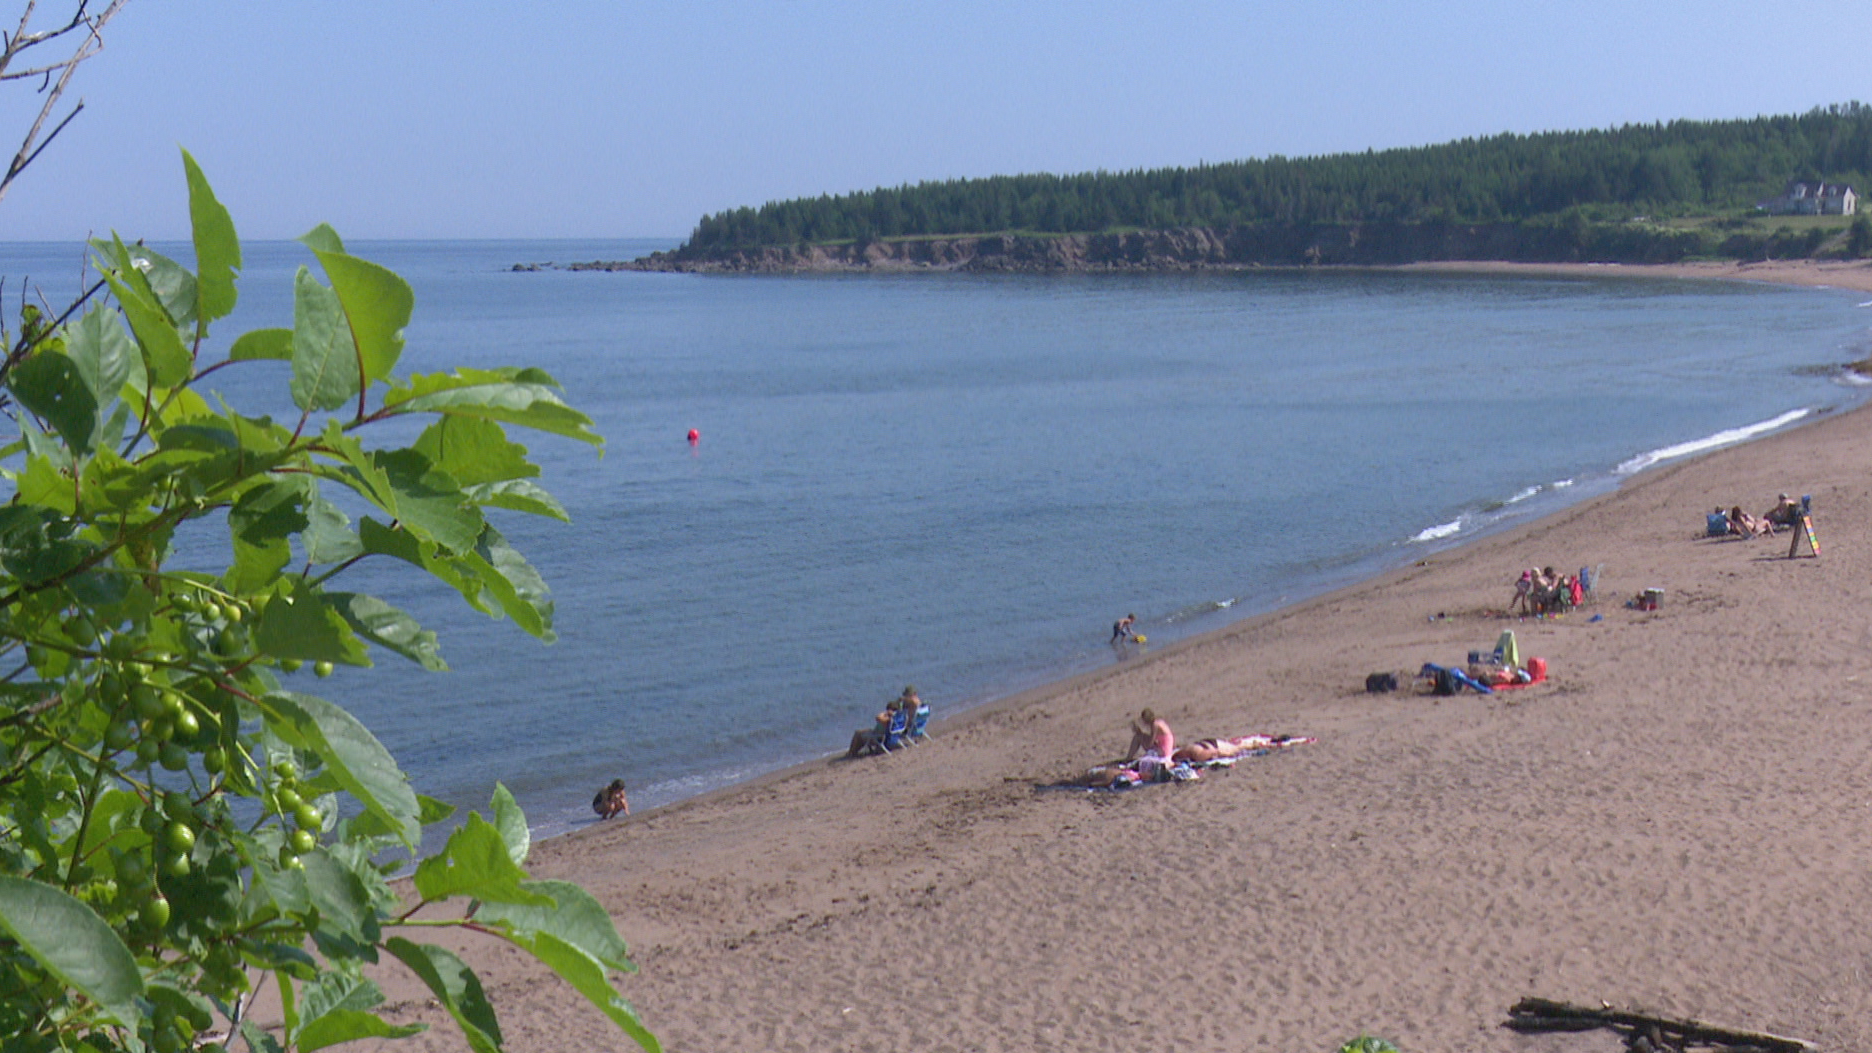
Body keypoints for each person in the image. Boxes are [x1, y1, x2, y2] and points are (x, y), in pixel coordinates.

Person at [847, 687, 917, 757]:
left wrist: (885, 713)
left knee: (858, 734)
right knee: (862, 732)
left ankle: (852, 752)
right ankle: (854, 751)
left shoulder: (888, 720)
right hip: (887, 735)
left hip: (879, 737)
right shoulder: (899, 718)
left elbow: (878, 717)